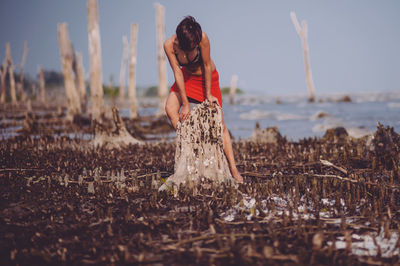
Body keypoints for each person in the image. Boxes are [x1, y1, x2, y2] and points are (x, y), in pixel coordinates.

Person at [164, 16, 243, 183]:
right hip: (186, 79)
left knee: (221, 125)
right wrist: (185, 104)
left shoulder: (203, 39)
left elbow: (206, 65)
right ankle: (191, 147)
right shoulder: (169, 46)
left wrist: (208, 95)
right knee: (170, 109)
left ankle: (233, 169)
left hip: (207, 79)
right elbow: (177, 72)